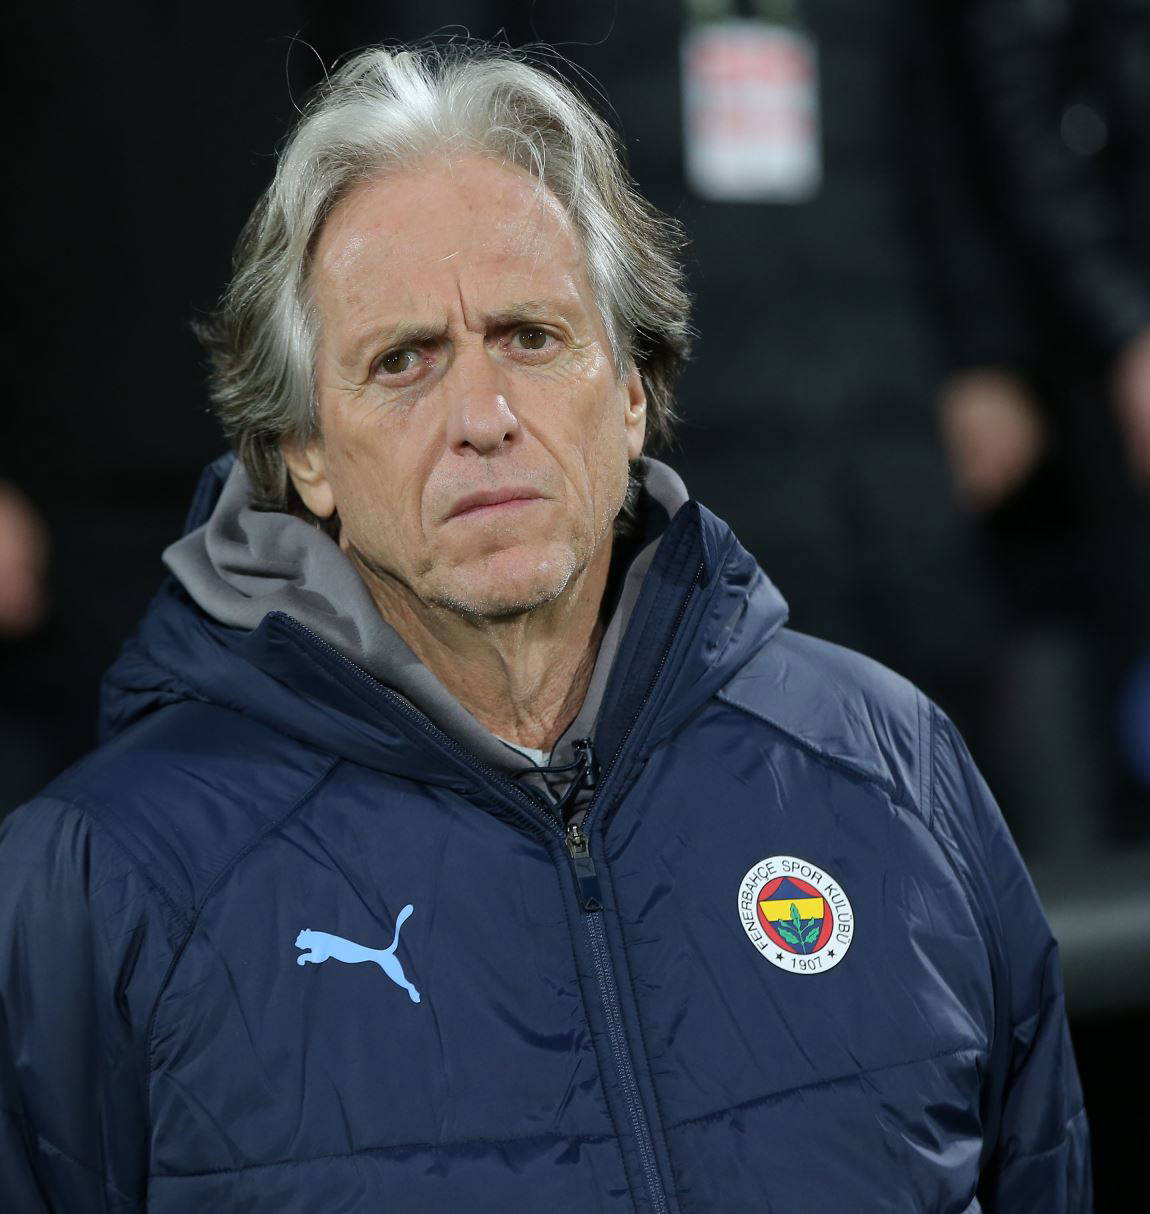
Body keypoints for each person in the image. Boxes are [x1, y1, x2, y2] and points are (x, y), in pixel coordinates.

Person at [0, 44, 1091, 1212]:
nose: (482, 415)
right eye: (404, 360)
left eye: (530, 335)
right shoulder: (102, 880)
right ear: (304, 452)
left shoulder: (892, 767)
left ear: (631, 394)